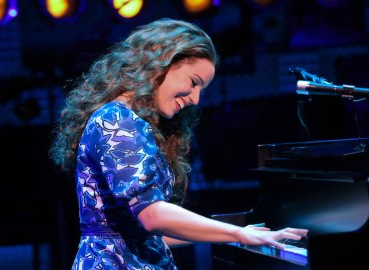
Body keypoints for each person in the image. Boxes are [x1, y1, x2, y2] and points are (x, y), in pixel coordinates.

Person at [49, 18, 308, 270]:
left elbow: (151, 232)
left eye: (201, 90)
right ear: (161, 63)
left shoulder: (133, 123)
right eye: (193, 82)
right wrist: (239, 234)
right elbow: (153, 216)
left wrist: (234, 233)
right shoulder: (117, 121)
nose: (195, 99)